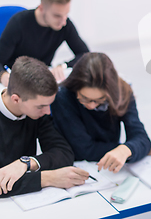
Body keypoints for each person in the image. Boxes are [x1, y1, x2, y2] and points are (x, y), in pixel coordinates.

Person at [51, 52, 151, 173]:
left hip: (109, 169)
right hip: (76, 167)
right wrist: (129, 148)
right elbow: (84, 149)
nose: (91, 105)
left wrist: (126, 150)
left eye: (99, 100)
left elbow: (140, 136)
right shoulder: (63, 96)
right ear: (75, 87)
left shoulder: (122, 92)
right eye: (84, 98)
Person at [0, 56, 89, 198]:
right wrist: (47, 178)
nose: (47, 111)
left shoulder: (36, 113)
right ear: (16, 99)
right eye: (41, 106)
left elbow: (63, 152)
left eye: (49, 105)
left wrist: (27, 163)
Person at [0, 0, 89, 87]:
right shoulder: (18, 23)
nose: (63, 21)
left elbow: (85, 54)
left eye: (66, 14)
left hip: (41, 78)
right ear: (41, 8)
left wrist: (63, 65)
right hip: (15, 78)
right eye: (57, 16)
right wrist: (2, 75)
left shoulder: (65, 25)